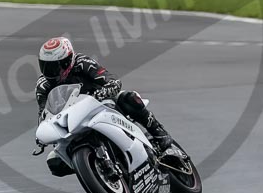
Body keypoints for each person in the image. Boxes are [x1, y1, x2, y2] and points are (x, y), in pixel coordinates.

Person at [35, 37, 173, 151]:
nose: (52, 72)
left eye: (56, 66)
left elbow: (111, 80)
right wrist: (42, 135)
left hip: (100, 104)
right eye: (46, 66)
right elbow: (44, 113)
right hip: (72, 120)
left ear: (68, 60)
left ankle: (159, 132)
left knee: (129, 98)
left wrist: (106, 89)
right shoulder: (43, 85)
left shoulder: (82, 63)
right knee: (55, 162)